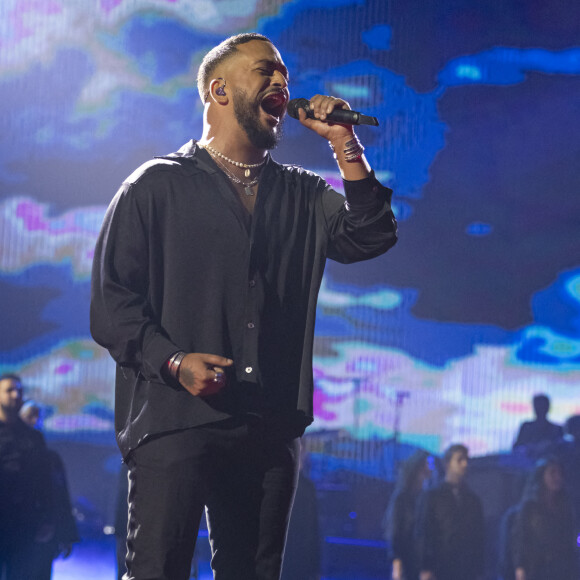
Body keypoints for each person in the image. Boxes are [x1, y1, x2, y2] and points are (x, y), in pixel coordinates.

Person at [90, 32, 398, 580]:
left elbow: (370, 237)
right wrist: (175, 362)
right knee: (157, 570)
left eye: (285, 75)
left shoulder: (303, 194)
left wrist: (344, 143)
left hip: (268, 422)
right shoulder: (154, 186)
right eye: (265, 71)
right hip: (175, 417)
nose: (282, 82)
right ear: (220, 90)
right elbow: (113, 305)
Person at [0, 375, 53, 579]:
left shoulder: (33, 437)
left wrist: (47, 519)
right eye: (9, 390)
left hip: (24, 524)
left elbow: (45, 480)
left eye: (19, 391)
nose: (16, 395)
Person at [19, 401, 80, 580]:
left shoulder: (51, 458)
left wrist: (67, 534)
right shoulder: (8, 452)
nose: (36, 420)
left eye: (39, 416)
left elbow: (61, 496)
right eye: (31, 415)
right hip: (16, 534)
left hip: (44, 535)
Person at [415, 444, 485, 580]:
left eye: (466, 460)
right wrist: (426, 567)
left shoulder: (473, 500)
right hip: (440, 566)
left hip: (465, 569)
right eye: (459, 460)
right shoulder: (432, 497)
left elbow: (479, 537)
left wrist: (479, 570)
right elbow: (424, 532)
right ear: (447, 464)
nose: (464, 464)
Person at [512, 457, 579, 580]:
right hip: (537, 567)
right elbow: (522, 538)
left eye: (559, 473)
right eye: (552, 472)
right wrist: (520, 566)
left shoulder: (565, 507)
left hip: (561, 568)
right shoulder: (530, 508)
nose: (557, 477)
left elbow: (569, 539)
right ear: (542, 476)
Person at [383, 450, 432, 580]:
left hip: (422, 562)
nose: (430, 468)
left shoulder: (427, 498)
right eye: (426, 464)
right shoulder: (402, 498)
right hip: (407, 560)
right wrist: (397, 563)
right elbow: (395, 532)